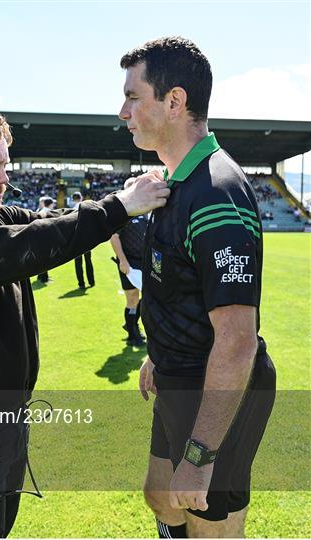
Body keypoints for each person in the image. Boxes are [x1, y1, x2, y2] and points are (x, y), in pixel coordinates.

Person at [0, 104, 171, 538]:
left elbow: (54, 224)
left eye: (6, 163)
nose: (5, 176)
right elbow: (27, 244)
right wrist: (120, 207)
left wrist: (123, 193)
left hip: (7, 421)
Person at [118, 37, 276, 538]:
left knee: (209, 526)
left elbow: (237, 340)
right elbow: (181, 287)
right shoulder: (175, 182)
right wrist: (158, 353)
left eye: (133, 97)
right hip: (179, 375)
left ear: (174, 101)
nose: (123, 111)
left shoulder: (216, 193)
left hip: (219, 390)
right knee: (160, 496)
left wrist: (202, 455)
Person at [110, 213, 149, 346]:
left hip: (146, 262)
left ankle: (130, 324)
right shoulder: (126, 214)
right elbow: (114, 237)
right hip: (129, 262)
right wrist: (123, 261)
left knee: (150, 296)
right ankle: (132, 335)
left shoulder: (147, 214)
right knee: (132, 298)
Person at [72, 192, 95, 289]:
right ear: (81, 198)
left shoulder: (73, 210)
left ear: (73, 199)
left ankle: (81, 284)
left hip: (77, 239)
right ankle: (91, 281)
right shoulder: (86, 208)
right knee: (88, 261)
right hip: (87, 238)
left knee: (78, 263)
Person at [37, 197, 56, 283]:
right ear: (51, 204)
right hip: (45, 237)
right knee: (45, 259)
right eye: (53, 204)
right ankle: (44, 278)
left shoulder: (42, 211)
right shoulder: (47, 212)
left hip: (41, 238)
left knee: (42, 258)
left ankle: (42, 276)